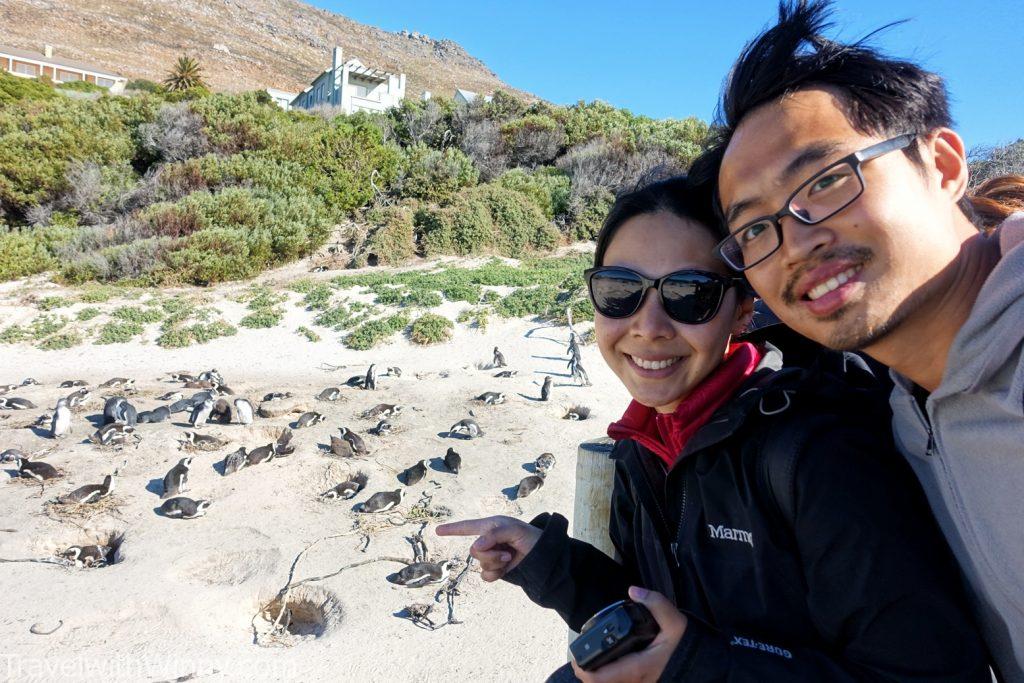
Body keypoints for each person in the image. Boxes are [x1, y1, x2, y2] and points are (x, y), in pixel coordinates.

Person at [437, 177, 989, 681]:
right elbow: (651, 610)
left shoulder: (820, 453)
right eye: (619, 291)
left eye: (689, 296)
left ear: (743, 312)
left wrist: (694, 666)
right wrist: (549, 562)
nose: (648, 328)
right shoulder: (643, 447)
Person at [687, 2, 1024, 677]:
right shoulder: (891, 405)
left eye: (827, 181)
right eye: (755, 229)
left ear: (945, 164)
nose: (795, 243)